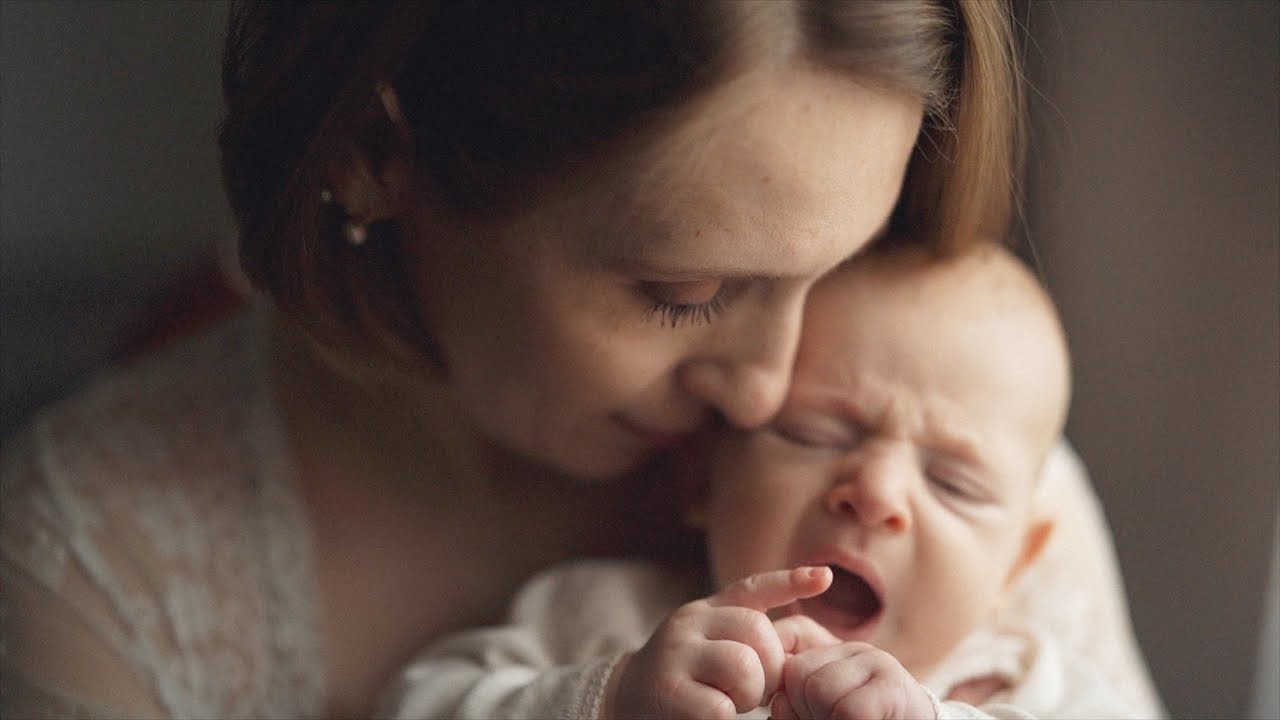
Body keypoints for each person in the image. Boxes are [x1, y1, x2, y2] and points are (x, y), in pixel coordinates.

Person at [0, 2, 1162, 718]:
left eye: (839, 265)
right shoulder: (90, 572)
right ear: (372, 148)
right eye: (685, 294)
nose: (769, 387)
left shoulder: (961, 465)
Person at [379, 243, 1140, 720]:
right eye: (815, 434)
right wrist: (608, 700)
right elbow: (415, 705)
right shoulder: (614, 619)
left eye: (954, 483)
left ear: (1018, 563)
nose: (875, 492)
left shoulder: (1031, 686)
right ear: (702, 476)